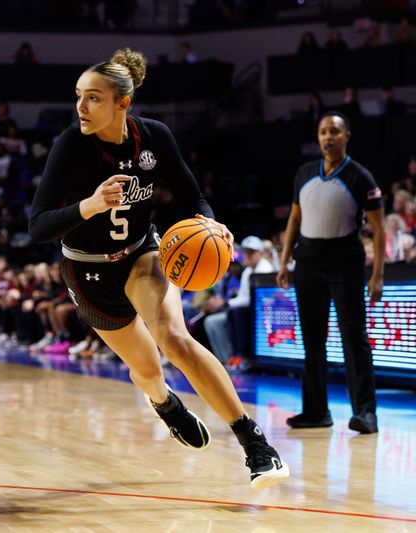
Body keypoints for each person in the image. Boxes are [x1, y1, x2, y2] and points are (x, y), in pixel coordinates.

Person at [29, 48, 289, 489]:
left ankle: (256, 446)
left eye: (93, 98)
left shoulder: (154, 137)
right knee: (147, 368)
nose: (81, 107)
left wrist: (209, 220)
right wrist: (89, 206)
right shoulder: (70, 145)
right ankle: (164, 403)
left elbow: (192, 196)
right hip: (87, 270)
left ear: (122, 103)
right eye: (79, 97)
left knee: (174, 338)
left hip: (141, 255)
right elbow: (37, 227)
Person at [277, 111, 385, 434]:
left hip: (345, 263)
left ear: (346, 136)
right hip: (307, 263)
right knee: (312, 339)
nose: (328, 137)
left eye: (334, 131)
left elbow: (380, 230)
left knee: (354, 338)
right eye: (323, 132)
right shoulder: (304, 173)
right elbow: (294, 221)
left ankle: (366, 413)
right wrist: (284, 261)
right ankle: (315, 411)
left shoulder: (360, 177)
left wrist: (377, 275)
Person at [203, 235, 274, 369]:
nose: (246, 256)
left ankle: (239, 356)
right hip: (249, 310)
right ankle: (225, 359)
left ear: (260, 253)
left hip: (263, 315)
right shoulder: (248, 271)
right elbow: (243, 297)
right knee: (212, 321)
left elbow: (254, 301)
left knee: (238, 313)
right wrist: (224, 303)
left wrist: (225, 303)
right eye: (245, 252)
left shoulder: (265, 269)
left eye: (251, 253)